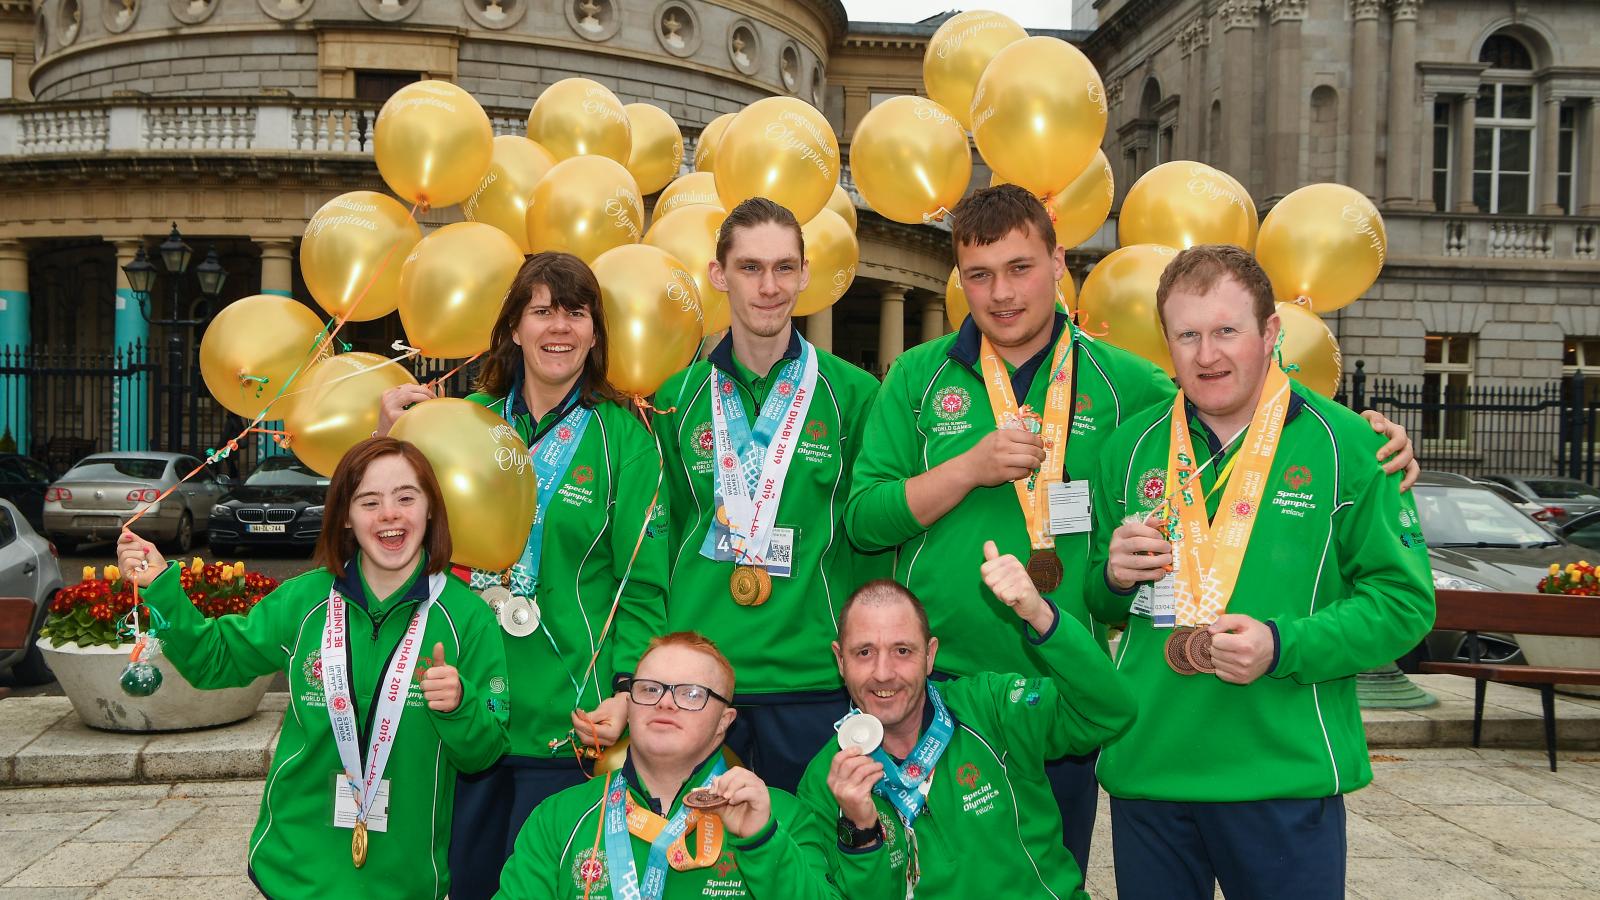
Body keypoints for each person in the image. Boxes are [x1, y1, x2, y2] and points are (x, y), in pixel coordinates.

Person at [843, 184, 1417, 873]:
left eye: (1021, 267)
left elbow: (1238, 395)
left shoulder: (1127, 385)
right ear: (959, 278)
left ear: (1059, 263)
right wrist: (969, 467)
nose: (1000, 293)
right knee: (922, 880)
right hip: (939, 685)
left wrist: (1371, 437)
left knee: (1049, 881)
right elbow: (863, 522)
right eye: (979, 274)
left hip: (1063, 695)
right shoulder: (915, 376)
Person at [1085, 244, 1435, 899]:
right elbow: (1098, 605)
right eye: (1187, 335)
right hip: (1152, 770)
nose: (1207, 354)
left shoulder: (1352, 447)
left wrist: (1282, 645)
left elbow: (1405, 605)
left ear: (1270, 332)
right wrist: (1112, 579)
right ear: (1167, 342)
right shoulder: (1127, 449)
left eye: (1226, 331)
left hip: (1283, 776)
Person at [378, 251, 670, 899]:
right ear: (514, 327)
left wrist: (629, 690)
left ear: (595, 333)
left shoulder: (625, 438)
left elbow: (644, 586)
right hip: (460, 705)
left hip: (573, 719)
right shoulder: (464, 422)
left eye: (575, 312)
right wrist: (385, 440)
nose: (558, 327)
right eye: (541, 311)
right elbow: (389, 535)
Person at [115, 437, 509, 899]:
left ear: (430, 510)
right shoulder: (305, 601)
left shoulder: (467, 618)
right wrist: (162, 586)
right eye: (369, 501)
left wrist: (459, 705)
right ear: (345, 514)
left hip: (404, 878)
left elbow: (485, 753)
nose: (390, 514)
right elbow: (213, 661)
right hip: (295, 869)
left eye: (406, 498)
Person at [654, 197, 884, 793]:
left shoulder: (854, 395)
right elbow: (663, 537)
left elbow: (869, 531)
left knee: (805, 867)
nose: (769, 286)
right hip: (699, 677)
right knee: (697, 867)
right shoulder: (671, 399)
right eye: (750, 267)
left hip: (809, 677)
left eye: (784, 268)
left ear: (806, 276)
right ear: (718, 274)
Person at [796, 554, 1134, 900]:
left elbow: (1110, 711)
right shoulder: (827, 781)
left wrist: (1040, 615)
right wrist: (860, 832)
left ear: (930, 655)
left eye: (902, 650)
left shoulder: (990, 707)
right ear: (840, 660)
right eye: (864, 652)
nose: (883, 672)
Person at [495, 631, 841, 899]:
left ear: (725, 721)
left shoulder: (778, 816)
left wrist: (762, 842)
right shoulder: (558, 817)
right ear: (629, 706)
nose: (665, 703)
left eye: (691, 694)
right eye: (649, 689)